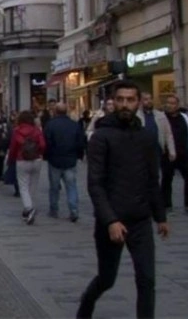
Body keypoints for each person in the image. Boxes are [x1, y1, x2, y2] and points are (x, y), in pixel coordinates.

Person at [77, 80, 169, 319]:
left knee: (147, 279)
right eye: (121, 100)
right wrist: (110, 220)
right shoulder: (101, 136)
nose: (125, 104)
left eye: (130, 100)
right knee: (107, 279)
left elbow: (152, 179)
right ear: (113, 103)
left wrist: (161, 217)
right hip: (112, 222)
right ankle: (86, 306)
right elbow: (95, 183)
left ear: (138, 102)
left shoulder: (146, 137)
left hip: (140, 220)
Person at [44, 103, 85, 222]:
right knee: (71, 186)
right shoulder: (74, 125)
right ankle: (74, 210)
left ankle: (54, 210)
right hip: (70, 159)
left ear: (55, 111)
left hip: (54, 159)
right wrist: (79, 155)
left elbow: (47, 142)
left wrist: (47, 156)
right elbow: (80, 142)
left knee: (54, 187)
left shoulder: (50, 125)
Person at [8, 110, 46, 224]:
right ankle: (30, 207)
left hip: (22, 160)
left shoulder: (17, 131)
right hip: (36, 159)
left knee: (23, 186)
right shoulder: (36, 131)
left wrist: (11, 160)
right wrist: (40, 152)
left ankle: (29, 208)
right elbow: (43, 144)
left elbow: (13, 147)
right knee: (33, 186)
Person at [161, 95, 188, 216]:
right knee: (167, 180)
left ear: (177, 105)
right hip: (167, 155)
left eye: (173, 103)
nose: (170, 105)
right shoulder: (162, 118)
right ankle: (167, 205)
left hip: (185, 154)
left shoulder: (184, 118)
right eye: (168, 103)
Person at [137, 92, 177, 165]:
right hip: (141, 151)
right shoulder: (136, 116)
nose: (149, 101)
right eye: (146, 99)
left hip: (157, 150)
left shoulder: (161, 115)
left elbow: (168, 134)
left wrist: (172, 151)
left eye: (150, 99)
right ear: (141, 102)